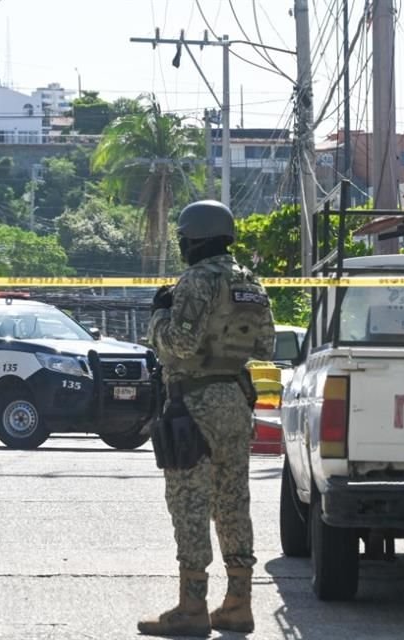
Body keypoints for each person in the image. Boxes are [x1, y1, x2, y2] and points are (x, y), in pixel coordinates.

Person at [139, 200, 275, 637]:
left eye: (183, 238)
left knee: (189, 501)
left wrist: (159, 314)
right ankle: (238, 604)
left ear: (194, 238)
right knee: (233, 501)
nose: (181, 245)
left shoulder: (196, 279)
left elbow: (179, 343)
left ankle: (192, 607)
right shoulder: (250, 282)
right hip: (235, 400)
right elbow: (266, 345)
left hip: (192, 402)